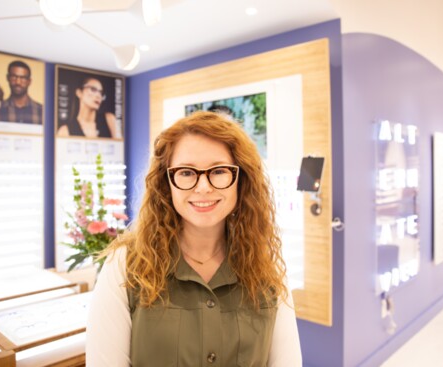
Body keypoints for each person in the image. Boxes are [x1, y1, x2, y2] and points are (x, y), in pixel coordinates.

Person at [86, 111, 302, 366]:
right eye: (186, 172)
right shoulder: (124, 265)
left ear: (240, 180)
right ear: (167, 182)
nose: (203, 187)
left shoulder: (268, 267)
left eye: (219, 170)